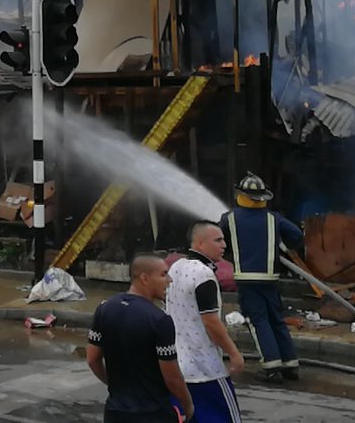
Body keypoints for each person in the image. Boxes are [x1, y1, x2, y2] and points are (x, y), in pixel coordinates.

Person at [87, 254, 194, 423]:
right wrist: (188, 405)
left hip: (115, 412)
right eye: (163, 274)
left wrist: (115, 387)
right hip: (153, 413)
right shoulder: (160, 320)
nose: (169, 280)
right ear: (144, 278)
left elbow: (92, 359)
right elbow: (172, 377)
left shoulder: (104, 309)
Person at [220, 172, 305, 382]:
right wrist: (280, 244)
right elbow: (297, 235)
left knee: (258, 321)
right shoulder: (273, 218)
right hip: (270, 278)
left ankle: (272, 367)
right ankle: (290, 365)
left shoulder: (229, 218)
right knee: (276, 320)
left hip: (246, 280)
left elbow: (220, 241)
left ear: (241, 195)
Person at [166, 221, 245, 422]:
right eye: (218, 240)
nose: (224, 245)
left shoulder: (176, 267)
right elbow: (211, 322)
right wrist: (234, 353)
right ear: (200, 243)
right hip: (206, 369)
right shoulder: (204, 274)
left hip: (178, 367)